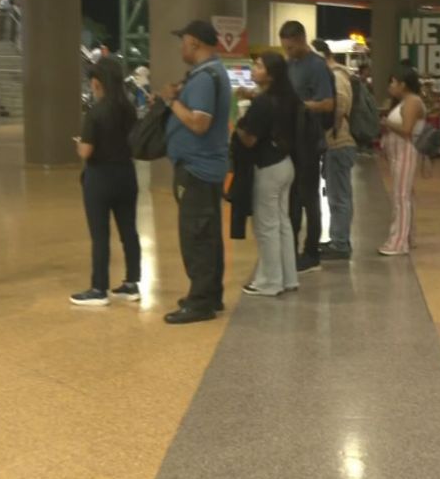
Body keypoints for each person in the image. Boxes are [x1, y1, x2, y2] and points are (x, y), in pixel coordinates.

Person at [154, 20, 231, 325]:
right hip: (205, 169)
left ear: (195, 43)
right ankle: (209, 293)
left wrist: (172, 101)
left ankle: (200, 302)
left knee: (196, 235)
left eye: (183, 41)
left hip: (197, 170)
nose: (181, 47)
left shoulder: (204, 78)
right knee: (208, 234)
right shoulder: (210, 73)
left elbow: (199, 123)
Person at [68, 58, 141, 307]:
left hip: (100, 178)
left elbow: (86, 151)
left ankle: (99, 288)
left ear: (97, 83)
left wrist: (79, 144)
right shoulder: (129, 109)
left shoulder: (96, 112)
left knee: (100, 235)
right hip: (127, 175)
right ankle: (132, 284)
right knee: (129, 230)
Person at [235, 52, 299, 295]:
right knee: (282, 223)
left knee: (266, 226)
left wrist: (240, 122)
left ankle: (269, 282)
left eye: (259, 65)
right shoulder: (286, 98)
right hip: (285, 163)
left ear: (270, 74)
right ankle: (288, 277)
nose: (253, 68)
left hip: (267, 167)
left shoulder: (263, 103)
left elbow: (250, 139)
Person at [279, 21, 334, 273]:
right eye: (285, 48)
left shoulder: (317, 66)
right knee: (291, 198)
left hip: (309, 141)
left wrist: (303, 105)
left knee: (309, 198)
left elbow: (328, 104)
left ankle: (311, 252)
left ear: (302, 40)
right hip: (290, 139)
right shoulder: (290, 65)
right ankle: (290, 249)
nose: (288, 52)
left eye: (291, 47)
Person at [311, 40, 356, 261]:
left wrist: (328, 132)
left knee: (339, 196)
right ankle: (338, 238)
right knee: (337, 194)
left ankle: (341, 243)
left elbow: (339, 108)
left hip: (339, 143)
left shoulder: (337, 76)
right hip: (337, 143)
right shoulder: (333, 75)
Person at [379, 66, 426, 256]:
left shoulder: (412, 102)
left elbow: (407, 130)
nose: (390, 86)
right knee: (404, 195)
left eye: (393, 82)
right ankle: (406, 236)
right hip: (398, 152)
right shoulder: (404, 102)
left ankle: (399, 242)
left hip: (406, 151)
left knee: (401, 197)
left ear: (403, 84)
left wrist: (386, 122)